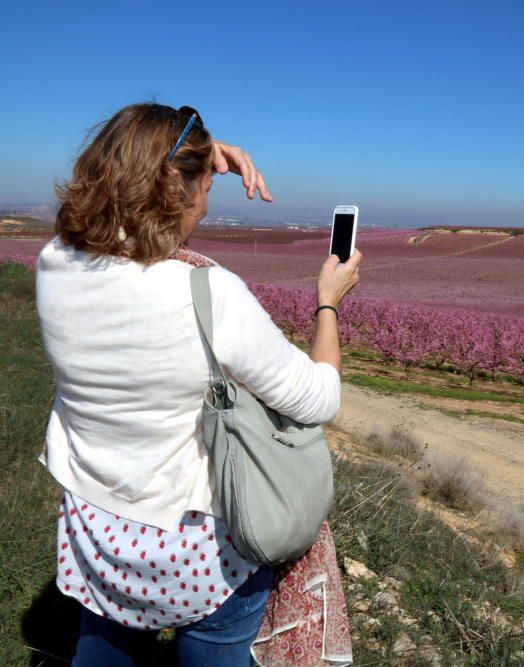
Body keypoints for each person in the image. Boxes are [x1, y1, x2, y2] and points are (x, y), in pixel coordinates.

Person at [34, 102, 361, 665]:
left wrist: (198, 157)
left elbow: (130, 226)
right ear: (178, 189)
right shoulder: (209, 294)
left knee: (106, 644)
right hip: (192, 554)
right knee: (217, 647)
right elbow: (319, 398)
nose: (208, 202)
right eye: (204, 186)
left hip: (97, 532)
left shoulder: (55, 262)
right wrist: (328, 303)